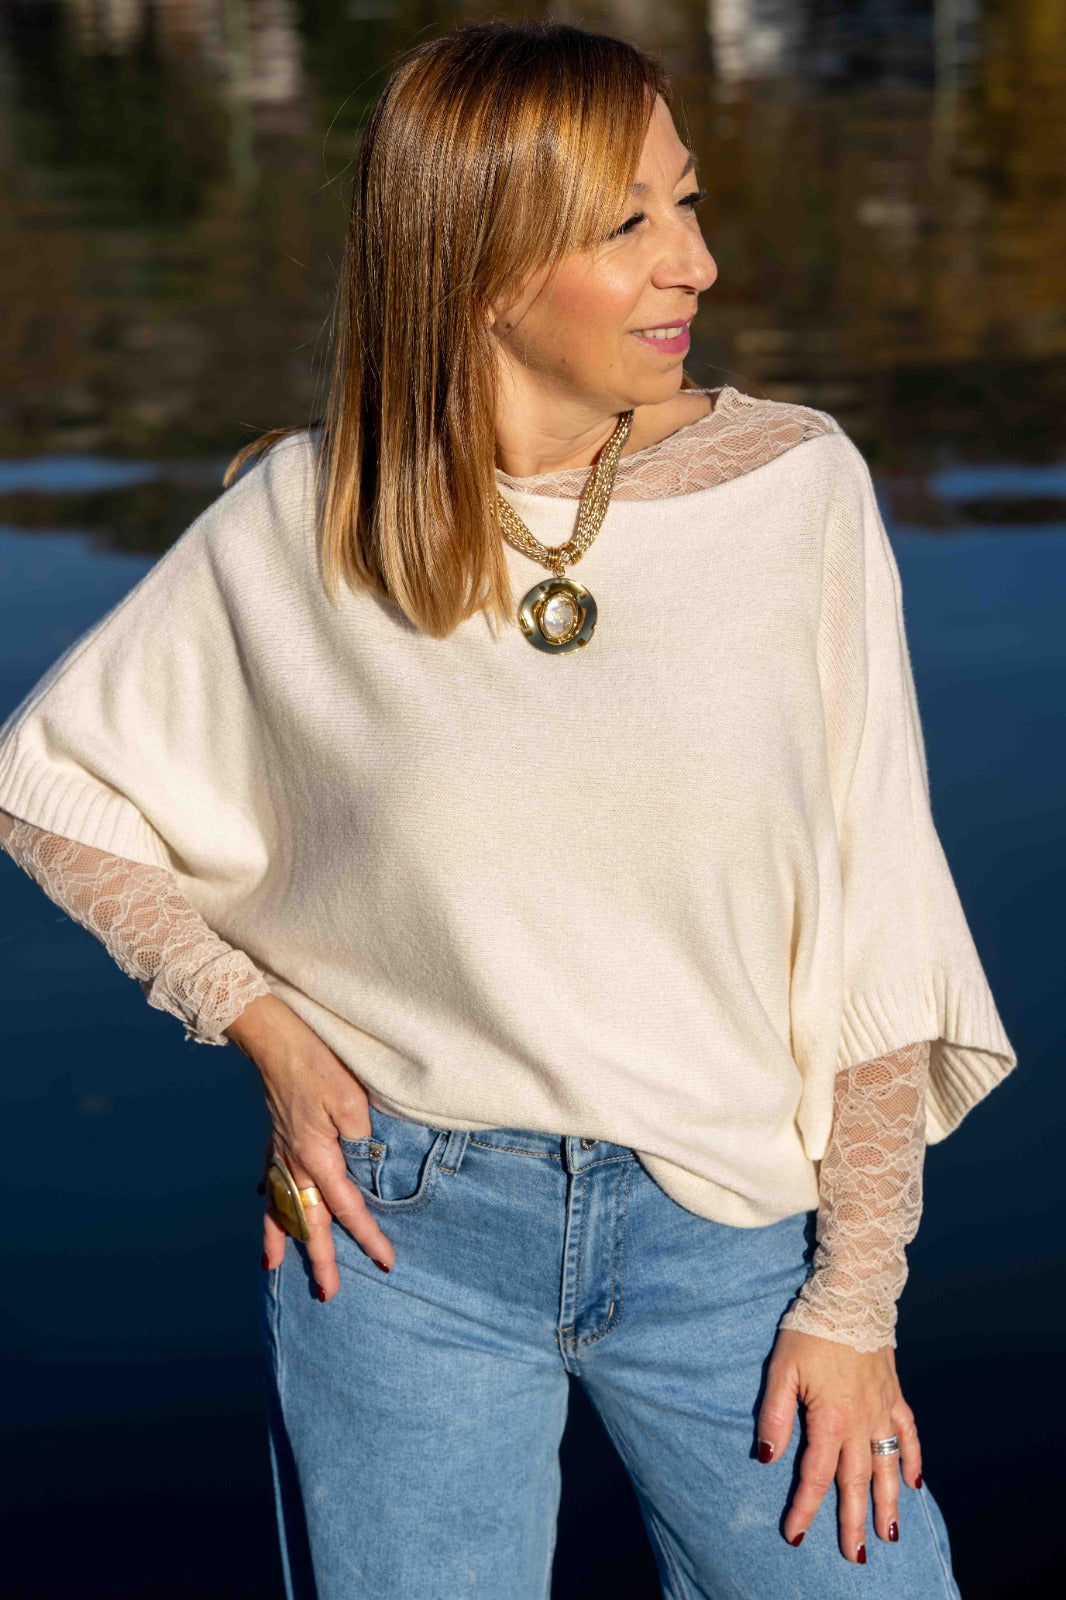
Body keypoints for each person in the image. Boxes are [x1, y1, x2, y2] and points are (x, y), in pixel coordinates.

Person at [0, 19, 1016, 1600]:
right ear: (476, 268)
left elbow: (881, 915)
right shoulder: (306, 515)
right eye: (628, 225)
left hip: (730, 1241)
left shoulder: (791, 491)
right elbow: (56, 787)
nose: (696, 263)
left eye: (686, 200)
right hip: (394, 1237)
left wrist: (853, 1303)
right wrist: (256, 1022)